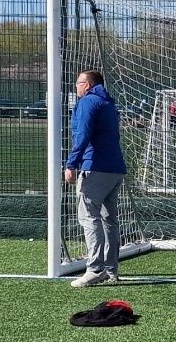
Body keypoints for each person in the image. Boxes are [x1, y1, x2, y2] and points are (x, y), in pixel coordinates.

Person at [65, 69, 127, 288]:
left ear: (88, 85)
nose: (76, 86)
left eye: (79, 82)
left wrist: (71, 163)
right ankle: (111, 269)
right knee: (109, 219)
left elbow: (82, 134)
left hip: (95, 168)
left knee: (89, 217)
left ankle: (95, 269)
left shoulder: (88, 102)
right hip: (115, 168)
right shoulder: (108, 103)